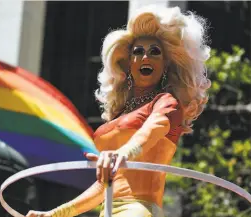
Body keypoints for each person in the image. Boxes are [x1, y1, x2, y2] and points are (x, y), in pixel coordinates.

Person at [27, 4, 211, 217]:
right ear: (128, 64)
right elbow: (102, 186)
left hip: (138, 208)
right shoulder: (119, 115)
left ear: (165, 66)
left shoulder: (166, 103)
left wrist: (121, 154)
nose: (145, 57)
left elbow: (150, 132)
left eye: (155, 52)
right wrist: (55, 214)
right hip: (106, 209)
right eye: (138, 52)